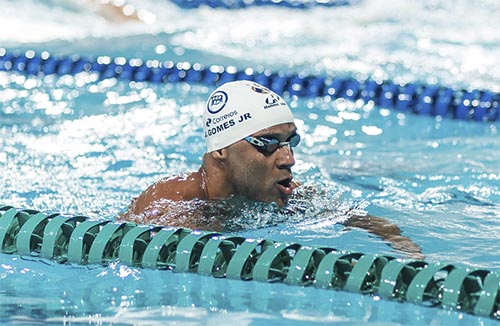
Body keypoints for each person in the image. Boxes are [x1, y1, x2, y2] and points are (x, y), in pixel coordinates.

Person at [120, 80, 423, 259]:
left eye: (291, 142)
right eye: (268, 143)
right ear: (221, 149)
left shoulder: (291, 195)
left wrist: (406, 248)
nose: (288, 159)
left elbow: (371, 224)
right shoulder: (171, 205)